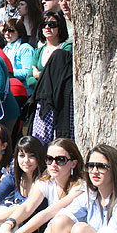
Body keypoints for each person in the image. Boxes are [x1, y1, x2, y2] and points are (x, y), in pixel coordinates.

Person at [0, 138, 85, 233]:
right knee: (31, 219)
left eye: (60, 160)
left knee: (57, 221)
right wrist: (7, 226)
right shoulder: (47, 182)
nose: (53, 164)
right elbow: (27, 206)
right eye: (50, 159)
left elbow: (48, 213)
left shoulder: (80, 187)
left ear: (73, 163)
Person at [27, 10, 73, 145]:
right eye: (44, 24)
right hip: (42, 102)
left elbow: (60, 78)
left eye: (52, 24)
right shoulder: (38, 51)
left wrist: (39, 75)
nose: (47, 27)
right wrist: (44, 77)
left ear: (60, 28)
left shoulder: (66, 48)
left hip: (60, 102)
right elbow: (29, 80)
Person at [3, 18, 34, 94]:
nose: (7, 33)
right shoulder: (5, 49)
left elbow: (28, 72)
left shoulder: (25, 48)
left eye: (11, 30)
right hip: (9, 89)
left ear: (19, 32)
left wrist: (7, 73)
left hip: (23, 91)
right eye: (5, 30)